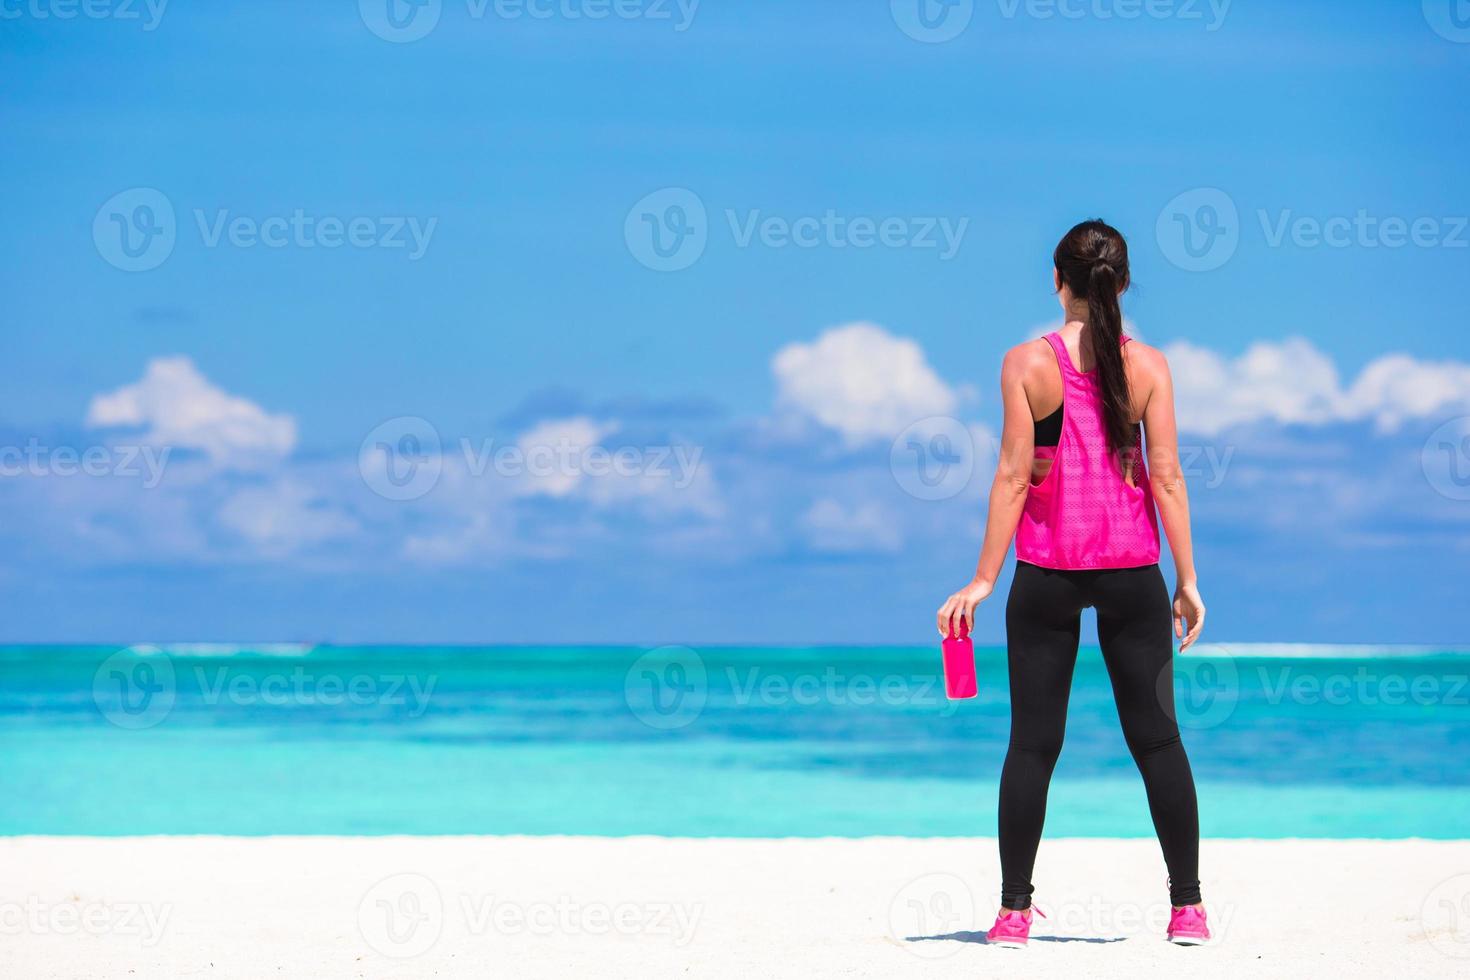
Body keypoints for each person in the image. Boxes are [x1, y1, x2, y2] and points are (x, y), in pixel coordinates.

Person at [936, 219, 1210, 947]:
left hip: (1045, 576)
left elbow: (1013, 476)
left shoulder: (1027, 363)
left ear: (1058, 282)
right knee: (1158, 743)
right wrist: (1186, 578)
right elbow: (1169, 479)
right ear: (1120, 284)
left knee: (1032, 747)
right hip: (1131, 575)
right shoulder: (1150, 366)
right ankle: (1187, 909)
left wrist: (982, 578)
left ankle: (1013, 915)